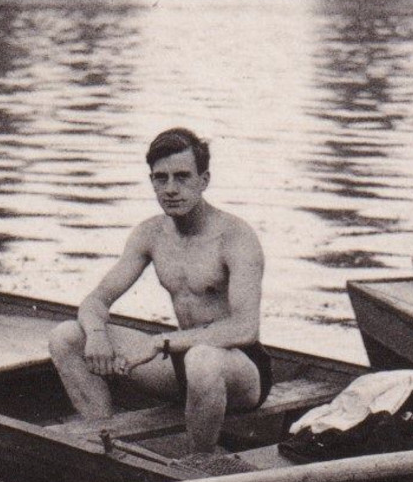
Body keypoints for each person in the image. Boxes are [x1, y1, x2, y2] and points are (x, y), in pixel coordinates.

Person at [48, 127, 270, 454]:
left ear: (204, 180)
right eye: (160, 178)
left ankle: (202, 460)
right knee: (66, 336)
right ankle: (111, 441)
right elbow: (96, 301)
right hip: (181, 359)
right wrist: (96, 336)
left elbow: (245, 328)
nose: (170, 189)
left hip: (237, 369)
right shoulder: (150, 234)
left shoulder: (235, 237)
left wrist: (160, 342)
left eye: (182, 177)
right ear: (151, 180)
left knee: (202, 360)